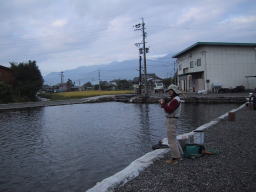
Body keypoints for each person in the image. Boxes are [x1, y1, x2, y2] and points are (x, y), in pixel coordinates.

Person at [160, 84, 183, 165]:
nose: (169, 92)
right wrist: (163, 104)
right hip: (172, 120)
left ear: (174, 91)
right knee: (173, 138)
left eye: (170, 91)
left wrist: (163, 104)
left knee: (171, 140)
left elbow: (169, 110)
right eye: (168, 91)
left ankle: (175, 158)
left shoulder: (175, 100)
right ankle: (180, 154)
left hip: (172, 120)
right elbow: (167, 108)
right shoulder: (174, 99)